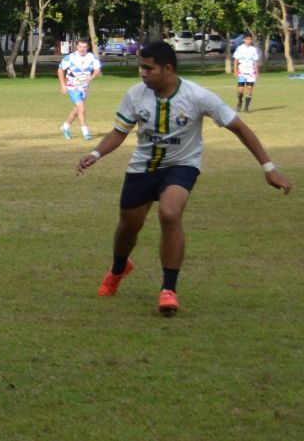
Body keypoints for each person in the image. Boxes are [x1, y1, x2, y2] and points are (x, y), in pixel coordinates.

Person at [77, 41, 291, 315]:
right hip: (143, 168)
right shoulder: (135, 95)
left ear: (168, 69)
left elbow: (239, 127)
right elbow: (119, 132)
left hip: (182, 165)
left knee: (170, 213)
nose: (143, 73)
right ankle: (119, 268)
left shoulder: (198, 96)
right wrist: (95, 153)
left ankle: (168, 289)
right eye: (141, 67)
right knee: (129, 227)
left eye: (148, 68)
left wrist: (269, 167)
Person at [57, 39, 102, 140]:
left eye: (84, 47)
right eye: (80, 46)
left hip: (84, 88)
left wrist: (92, 77)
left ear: (87, 48)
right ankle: (86, 133)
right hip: (73, 87)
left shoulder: (92, 57)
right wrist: (63, 85)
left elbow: (97, 69)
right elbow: (60, 70)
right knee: (82, 109)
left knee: (76, 110)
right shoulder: (70, 57)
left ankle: (65, 126)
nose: (82, 49)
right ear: (76, 47)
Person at [233, 32, 262, 112]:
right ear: (243, 40)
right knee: (240, 90)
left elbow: (255, 62)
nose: (248, 41)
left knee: (249, 89)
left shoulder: (253, 49)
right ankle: (239, 102)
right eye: (247, 39)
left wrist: (257, 73)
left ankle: (246, 108)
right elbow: (236, 60)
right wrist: (235, 71)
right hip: (242, 71)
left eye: (250, 39)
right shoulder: (239, 48)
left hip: (251, 71)